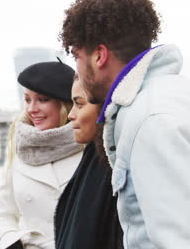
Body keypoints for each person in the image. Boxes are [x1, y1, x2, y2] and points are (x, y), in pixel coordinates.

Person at [61, 0, 190, 248]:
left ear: (99, 56)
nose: (77, 69)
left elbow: (188, 240)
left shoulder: (152, 120)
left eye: (77, 56)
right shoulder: (171, 95)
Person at [0, 61, 84, 249]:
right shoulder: (18, 147)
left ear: (64, 103)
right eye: (27, 99)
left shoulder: (89, 146)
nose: (32, 109)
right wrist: (10, 241)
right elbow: (2, 212)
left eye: (42, 99)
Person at [54, 75, 123, 249]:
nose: (71, 115)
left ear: (104, 107)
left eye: (79, 104)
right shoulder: (95, 156)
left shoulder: (108, 165)